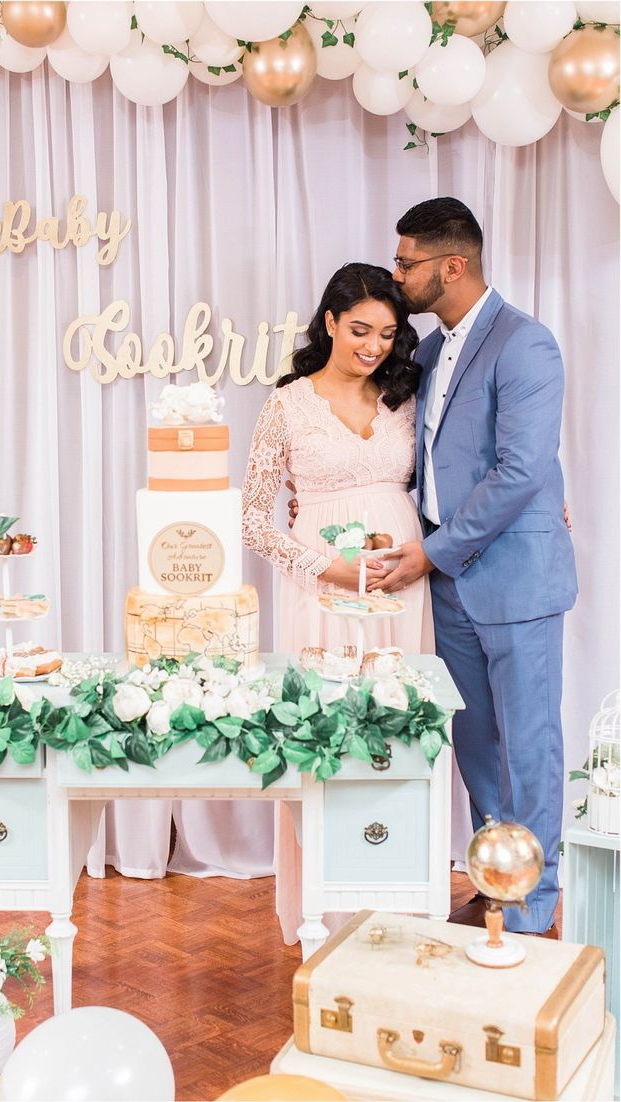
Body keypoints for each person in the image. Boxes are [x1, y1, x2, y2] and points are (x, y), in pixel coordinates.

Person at [366, 197, 577, 937]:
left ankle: (534, 902)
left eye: (407, 264)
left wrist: (433, 548)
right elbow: (424, 455)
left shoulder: (526, 344)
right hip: (449, 585)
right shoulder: (427, 349)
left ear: (452, 266)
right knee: (476, 744)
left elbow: (520, 471)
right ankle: (497, 877)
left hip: (514, 579)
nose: (398, 277)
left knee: (529, 744)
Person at [241, 262, 434, 944]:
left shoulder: (405, 396)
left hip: (401, 594)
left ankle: (397, 903)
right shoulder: (286, 404)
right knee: (325, 739)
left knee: (395, 736)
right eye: (359, 330)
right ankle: (327, 907)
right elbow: (254, 521)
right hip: (319, 596)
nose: (373, 346)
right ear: (328, 322)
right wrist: (329, 566)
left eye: (386, 332)